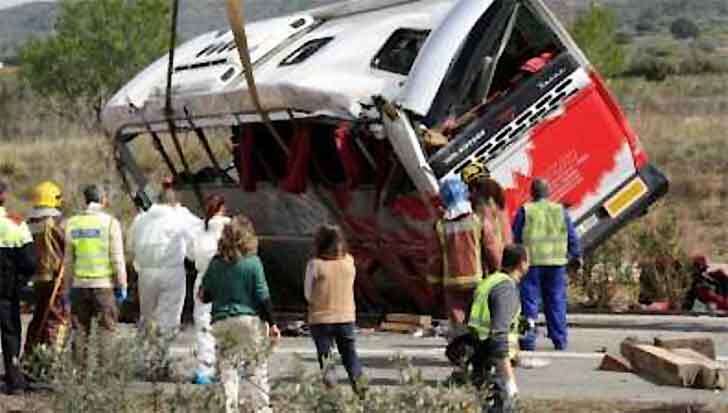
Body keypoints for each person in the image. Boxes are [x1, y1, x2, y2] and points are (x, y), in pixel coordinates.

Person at [199, 214, 280, 413]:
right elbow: (263, 296)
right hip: (248, 321)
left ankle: (230, 407)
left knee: (228, 369)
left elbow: (204, 295)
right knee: (257, 366)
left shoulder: (216, 263)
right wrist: (273, 323)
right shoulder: (253, 263)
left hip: (221, 321)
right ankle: (261, 408)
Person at [512, 179, 581, 351]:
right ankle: (560, 340)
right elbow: (572, 236)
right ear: (548, 192)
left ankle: (527, 341)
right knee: (556, 301)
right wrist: (575, 255)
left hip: (531, 264)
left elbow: (515, 236)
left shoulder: (526, 210)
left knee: (528, 304)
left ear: (532, 193)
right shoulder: (560, 211)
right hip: (556, 264)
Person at [128, 184, 201, 334]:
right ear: (174, 203)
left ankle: (145, 353)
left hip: (146, 273)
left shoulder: (141, 219)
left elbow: (130, 245)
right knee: (169, 319)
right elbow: (194, 242)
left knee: (148, 318)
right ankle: (163, 353)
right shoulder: (179, 217)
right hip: (171, 272)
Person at [465, 244, 529, 412]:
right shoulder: (505, 289)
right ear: (522, 264)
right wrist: (510, 383)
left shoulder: (490, 281)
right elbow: (499, 336)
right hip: (492, 364)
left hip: (478, 357)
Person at [304, 224, 365, 396]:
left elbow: (307, 293)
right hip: (346, 316)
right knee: (350, 356)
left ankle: (333, 397)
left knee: (326, 359)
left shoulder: (315, 265)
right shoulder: (349, 262)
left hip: (320, 318)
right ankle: (361, 391)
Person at [64, 184, 127, 334]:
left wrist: (67, 289)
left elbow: (68, 261)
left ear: (85, 200)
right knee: (105, 335)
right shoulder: (111, 223)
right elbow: (117, 259)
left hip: (79, 287)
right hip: (103, 287)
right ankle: (105, 359)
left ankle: (78, 359)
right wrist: (122, 285)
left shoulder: (73, 223)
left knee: (79, 334)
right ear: (103, 200)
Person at [0, 180, 37, 394]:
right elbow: (30, 262)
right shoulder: (16, 224)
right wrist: (21, 281)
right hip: (6, 292)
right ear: (4, 196)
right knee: (10, 333)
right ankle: (14, 379)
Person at [435, 177, 483, 340]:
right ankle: (478, 349)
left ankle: (463, 351)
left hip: (452, 281)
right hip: (475, 278)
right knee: (477, 317)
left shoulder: (441, 225)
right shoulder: (476, 221)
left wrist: (433, 281)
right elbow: (489, 248)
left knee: (458, 320)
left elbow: (436, 257)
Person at [25, 181, 70, 354]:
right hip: (55, 277)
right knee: (57, 318)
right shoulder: (53, 222)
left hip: (38, 277)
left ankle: (32, 353)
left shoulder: (30, 222)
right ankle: (53, 357)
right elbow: (67, 245)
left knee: (40, 316)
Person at [190, 194, 230, 384]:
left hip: (203, 279)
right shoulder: (229, 227)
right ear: (222, 208)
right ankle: (228, 369)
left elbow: (190, 254)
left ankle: (204, 370)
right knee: (228, 323)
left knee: (204, 326)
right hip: (226, 280)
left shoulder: (198, 229)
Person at [461, 161, 513, 274]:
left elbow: (490, 244)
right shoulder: (498, 199)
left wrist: (500, 269)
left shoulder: (480, 208)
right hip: (511, 257)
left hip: (498, 266)